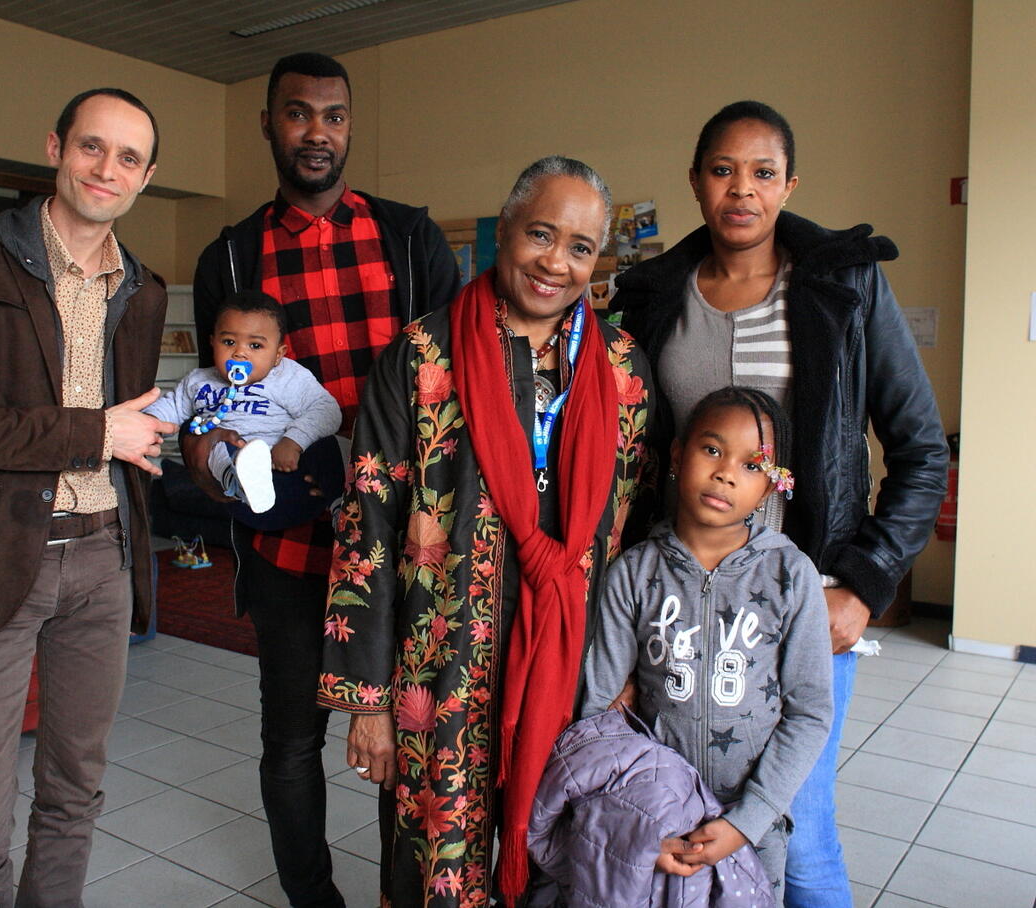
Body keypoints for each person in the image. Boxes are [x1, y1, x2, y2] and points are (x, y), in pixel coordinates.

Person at [610, 100, 947, 907]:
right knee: (684, 814)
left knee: (798, 826)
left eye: (763, 173)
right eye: (723, 170)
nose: (742, 191)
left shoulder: (845, 286)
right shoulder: (655, 297)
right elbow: (630, 461)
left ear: (790, 183)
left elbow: (920, 449)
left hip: (801, 604)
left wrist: (863, 582)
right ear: (696, 182)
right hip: (678, 600)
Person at [320, 155, 653, 907]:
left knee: (561, 850)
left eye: (580, 248)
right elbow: (366, 524)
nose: (555, 262)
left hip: (576, 668)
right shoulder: (423, 355)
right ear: (504, 232)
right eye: (541, 233)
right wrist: (369, 700)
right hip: (439, 668)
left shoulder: (624, 369)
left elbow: (633, 542)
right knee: (432, 861)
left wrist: (631, 667)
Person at [187, 52, 459, 907]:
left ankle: (398, 896)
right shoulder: (230, 258)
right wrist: (214, 468)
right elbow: (211, 402)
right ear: (268, 123)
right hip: (290, 547)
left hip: (403, 545)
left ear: (350, 126)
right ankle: (314, 899)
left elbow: (459, 383)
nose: (317, 131)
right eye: (298, 114)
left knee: (406, 738)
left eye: (334, 115)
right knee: (292, 744)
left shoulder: (411, 240)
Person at [0, 88, 176, 906]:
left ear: (146, 176)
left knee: (74, 789)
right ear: (56, 147)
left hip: (103, 555)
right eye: (92, 147)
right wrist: (98, 435)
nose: (107, 169)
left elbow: (131, 423)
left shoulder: (146, 290)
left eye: (129, 158)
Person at [580, 387, 832, 903]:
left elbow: (809, 713)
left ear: (770, 487)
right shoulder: (634, 573)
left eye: (752, 464)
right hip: (652, 821)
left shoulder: (790, 576)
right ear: (677, 455)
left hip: (751, 831)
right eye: (712, 450)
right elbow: (596, 715)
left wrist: (750, 820)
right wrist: (639, 824)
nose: (726, 474)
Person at [144, 290, 344, 529]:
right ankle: (239, 480)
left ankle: (342, 509)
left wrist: (293, 442)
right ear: (212, 342)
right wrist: (147, 423)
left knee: (332, 446)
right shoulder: (199, 381)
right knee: (215, 442)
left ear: (279, 354)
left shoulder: (287, 376)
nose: (240, 352)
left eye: (256, 345)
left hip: (292, 477)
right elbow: (170, 408)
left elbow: (327, 411)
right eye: (228, 342)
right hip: (240, 496)